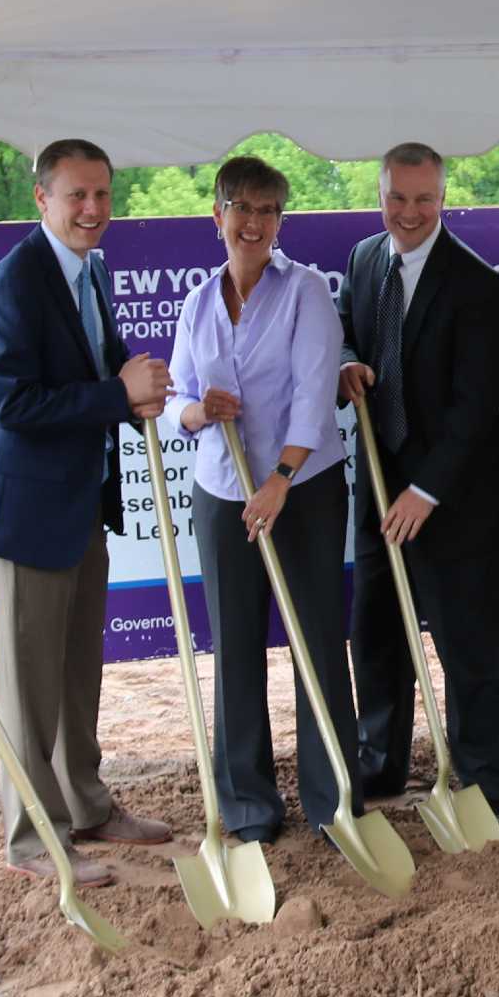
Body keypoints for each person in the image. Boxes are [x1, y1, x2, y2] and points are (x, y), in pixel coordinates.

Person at [0, 138, 172, 886]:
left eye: (103, 195)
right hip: (25, 518)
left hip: (81, 506)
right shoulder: (14, 284)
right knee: (29, 688)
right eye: (77, 195)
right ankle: (34, 838)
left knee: (80, 669)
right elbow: (14, 404)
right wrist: (119, 394)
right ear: (42, 200)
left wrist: (142, 387)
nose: (92, 209)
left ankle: (85, 805)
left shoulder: (92, 271)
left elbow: (106, 365)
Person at [165, 155, 361, 840]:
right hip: (222, 492)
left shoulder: (305, 291)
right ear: (216, 215)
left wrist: (280, 478)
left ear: (280, 221)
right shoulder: (196, 303)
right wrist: (197, 412)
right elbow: (176, 404)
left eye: (267, 210)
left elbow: (315, 397)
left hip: (301, 491)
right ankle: (248, 805)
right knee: (236, 648)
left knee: (315, 641)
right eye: (241, 208)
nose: (253, 223)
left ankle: (332, 797)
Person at [336, 143, 499, 827]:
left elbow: (477, 405)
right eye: (397, 198)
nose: (409, 213)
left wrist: (427, 490)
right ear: (379, 194)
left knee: (467, 645)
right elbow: (350, 333)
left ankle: (489, 781)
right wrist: (349, 362)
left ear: (443, 199)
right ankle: (380, 761)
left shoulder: (472, 281)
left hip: (453, 501)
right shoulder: (363, 259)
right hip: (379, 487)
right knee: (377, 632)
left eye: (423, 199)